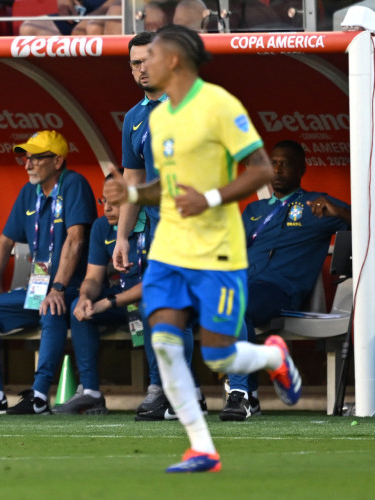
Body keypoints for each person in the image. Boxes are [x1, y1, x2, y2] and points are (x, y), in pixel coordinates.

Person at [104, 25, 301, 473]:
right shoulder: (155, 117)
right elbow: (164, 187)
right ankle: (201, 447)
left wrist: (210, 199)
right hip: (168, 247)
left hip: (216, 249)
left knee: (218, 353)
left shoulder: (219, 104)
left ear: (173, 59)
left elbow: (261, 169)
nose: (141, 66)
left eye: (148, 57)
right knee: (165, 340)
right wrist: (130, 198)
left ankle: (273, 357)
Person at [0, 130, 96, 415]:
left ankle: (39, 395)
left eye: (35, 158)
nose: (27, 164)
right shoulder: (29, 191)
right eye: (25, 158)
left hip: (73, 288)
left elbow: (76, 239)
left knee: (51, 308)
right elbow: (4, 242)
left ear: (57, 161)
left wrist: (58, 288)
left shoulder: (74, 184)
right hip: (39, 288)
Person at [221, 140, 351, 421]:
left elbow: (366, 222)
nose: (278, 169)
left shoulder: (316, 204)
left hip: (279, 290)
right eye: (274, 163)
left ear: (302, 168)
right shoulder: (253, 212)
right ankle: (247, 396)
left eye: (286, 163)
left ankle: (240, 393)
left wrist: (338, 212)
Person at [117, 31, 203, 421]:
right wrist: (122, 235)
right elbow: (133, 184)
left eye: (147, 61)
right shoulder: (134, 119)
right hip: (154, 233)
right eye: (134, 63)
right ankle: (166, 388)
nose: (141, 69)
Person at [53, 175, 148, 415]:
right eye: (103, 200)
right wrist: (86, 296)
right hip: (122, 298)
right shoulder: (101, 226)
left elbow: (156, 284)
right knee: (79, 307)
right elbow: (94, 278)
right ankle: (90, 392)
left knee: (152, 308)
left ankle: (158, 390)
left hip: (152, 298)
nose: (106, 208)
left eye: (114, 202)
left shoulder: (154, 224)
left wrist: (109, 302)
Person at [18, 0, 109, 36]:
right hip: (80, 12)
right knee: (30, 28)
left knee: (94, 27)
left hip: (113, 11)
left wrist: (95, 15)